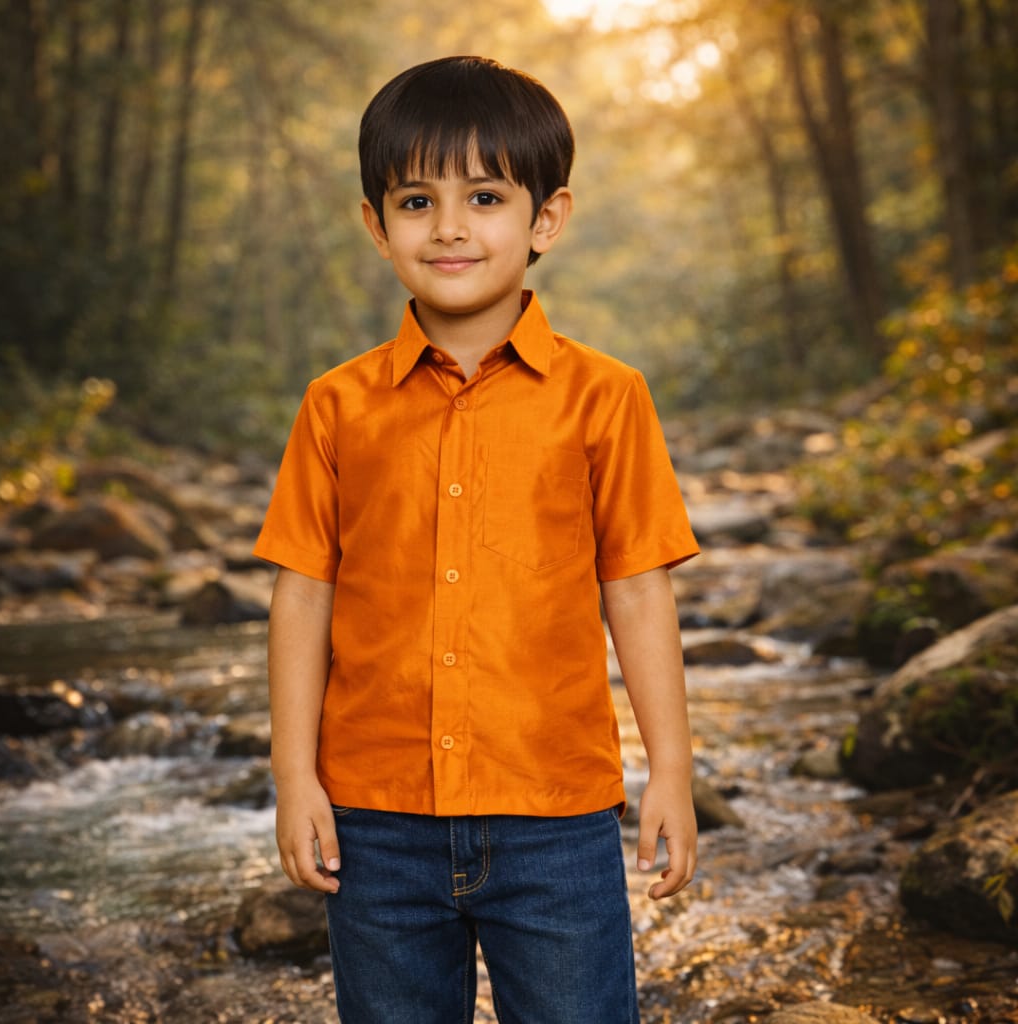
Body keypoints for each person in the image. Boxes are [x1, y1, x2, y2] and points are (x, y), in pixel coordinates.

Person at [253, 55, 700, 1024]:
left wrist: (670, 768)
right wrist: (294, 777)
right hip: (374, 823)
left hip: (556, 819)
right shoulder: (335, 406)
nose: (449, 227)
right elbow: (303, 592)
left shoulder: (606, 397)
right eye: (417, 200)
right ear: (377, 224)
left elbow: (636, 585)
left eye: (485, 197)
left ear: (547, 217)